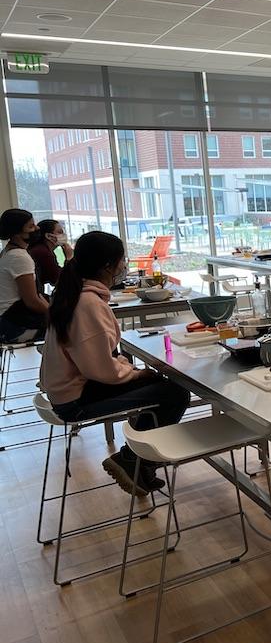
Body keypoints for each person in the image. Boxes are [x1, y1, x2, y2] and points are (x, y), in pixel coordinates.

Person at [39, 231, 191, 497]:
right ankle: (132, 459)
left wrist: (133, 373)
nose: (124, 266)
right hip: (75, 400)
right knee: (173, 393)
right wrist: (134, 374)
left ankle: (138, 464)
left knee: (155, 383)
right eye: (122, 260)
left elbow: (98, 360)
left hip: (67, 390)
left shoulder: (74, 293)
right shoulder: (88, 303)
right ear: (108, 265)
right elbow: (101, 369)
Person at [0, 209, 49, 343]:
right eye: (31, 226)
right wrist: (56, 316)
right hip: (13, 325)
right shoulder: (19, 257)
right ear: (17, 232)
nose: (37, 228)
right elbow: (32, 301)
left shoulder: (7, 252)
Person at [28, 219, 73, 293]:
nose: (64, 235)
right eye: (60, 232)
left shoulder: (44, 250)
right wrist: (69, 258)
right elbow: (58, 279)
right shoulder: (42, 252)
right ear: (49, 236)